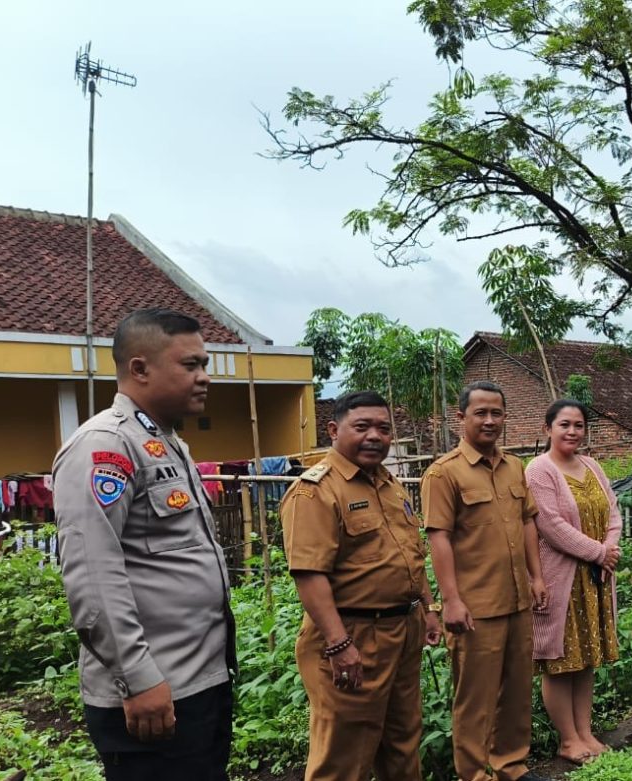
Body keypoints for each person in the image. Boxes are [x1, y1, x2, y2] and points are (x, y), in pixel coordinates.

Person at [53, 308, 235, 780]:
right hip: (153, 693)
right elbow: (93, 576)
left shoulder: (165, 441)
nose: (204, 378)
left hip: (197, 682)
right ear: (139, 368)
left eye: (205, 365)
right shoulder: (104, 446)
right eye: (190, 365)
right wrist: (137, 679)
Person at [279, 390, 442, 781]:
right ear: (334, 430)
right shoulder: (316, 491)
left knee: (402, 741)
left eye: (383, 428)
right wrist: (338, 644)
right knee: (344, 754)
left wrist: (428, 607)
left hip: (402, 632)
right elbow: (309, 573)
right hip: (353, 636)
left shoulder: (388, 484)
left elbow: (409, 555)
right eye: (362, 426)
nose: (375, 436)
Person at [422, 380, 550, 781]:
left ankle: (511, 765)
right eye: (481, 413)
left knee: (516, 693)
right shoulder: (444, 474)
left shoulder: (514, 466)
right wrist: (451, 600)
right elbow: (438, 538)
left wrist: (537, 576)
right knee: (475, 700)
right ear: (461, 418)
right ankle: (475, 774)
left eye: (497, 413)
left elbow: (528, 521)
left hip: (517, 601)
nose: (490, 421)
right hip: (476, 606)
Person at [524, 400, 622, 765]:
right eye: (564, 424)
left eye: (578, 425)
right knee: (560, 660)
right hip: (561, 579)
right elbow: (550, 526)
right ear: (547, 428)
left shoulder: (592, 466)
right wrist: (600, 553)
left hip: (594, 580)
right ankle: (568, 739)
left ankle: (585, 733)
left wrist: (610, 547)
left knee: (586, 659)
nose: (572, 432)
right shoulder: (538, 470)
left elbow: (613, 512)